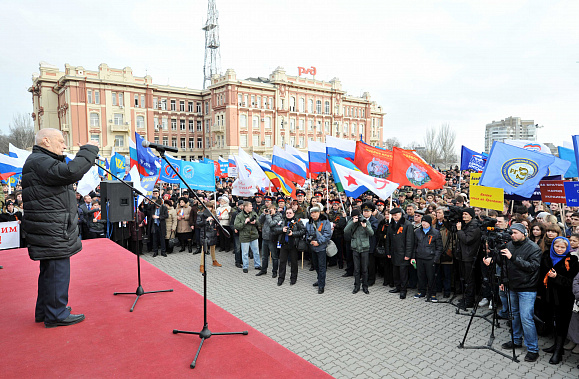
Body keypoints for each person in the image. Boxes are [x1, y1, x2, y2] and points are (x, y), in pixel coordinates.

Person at [23, 128, 99, 328]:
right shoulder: (40, 161)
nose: (65, 146)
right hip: (53, 228)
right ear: (46, 141)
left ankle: (45, 311)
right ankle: (56, 314)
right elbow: (70, 172)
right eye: (61, 141)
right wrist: (89, 151)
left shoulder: (40, 160)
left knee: (50, 271)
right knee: (58, 270)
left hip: (50, 226)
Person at [487, 223, 542, 362]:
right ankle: (516, 340)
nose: (513, 235)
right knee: (514, 316)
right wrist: (492, 259)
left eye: (516, 233)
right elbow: (503, 263)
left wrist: (512, 257)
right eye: (511, 233)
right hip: (511, 286)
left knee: (526, 318)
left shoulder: (534, 248)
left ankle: (533, 349)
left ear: (524, 233)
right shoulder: (510, 244)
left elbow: (533, 267)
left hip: (527, 288)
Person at [539, 236, 579, 364]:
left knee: (562, 324)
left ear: (567, 248)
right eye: (557, 246)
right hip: (548, 296)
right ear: (552, 246)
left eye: (563, 247)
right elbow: (540, 276)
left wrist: (557, 277)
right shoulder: (546, 257)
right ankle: (556, 346)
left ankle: (558, 352)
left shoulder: (572, 260)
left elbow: (571, 282)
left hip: (564, 298)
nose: (560, 249)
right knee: (552, 322)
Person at [412, 214, 443, 302]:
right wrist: (413, 257)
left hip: (430, 258)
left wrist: (435, 259)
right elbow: (414, 245)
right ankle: (421, 291)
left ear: (430, 223)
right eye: (423, 222)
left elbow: (439, 247)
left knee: (431, 277)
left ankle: (432, 293)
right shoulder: (417, 231)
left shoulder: (436, 232)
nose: (424, 223)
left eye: (426, 222)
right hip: (419, 257)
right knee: (420, 276)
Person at [455, 207, 481, 309]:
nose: (463, 216)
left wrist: (459, 231)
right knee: (465, 279)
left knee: (469, 280)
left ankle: (469, 301)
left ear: (471, 215)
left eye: (466, 214)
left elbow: (467, 240)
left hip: (469, 257)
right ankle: (466, 298)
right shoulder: (467, 225)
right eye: (463, 214)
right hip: (464, 255)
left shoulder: (474, 226)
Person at [386, 207, 415, 299]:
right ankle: (397, 287)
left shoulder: (407, 225)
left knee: (403, 274)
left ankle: (403, 290)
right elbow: (388, 240)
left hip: (403, 253)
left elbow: (410, 241)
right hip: (394, 253)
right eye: (393, 215)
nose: (394, 217)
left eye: (396, 215)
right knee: (396, 272)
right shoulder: (391, 224)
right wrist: (388, 251)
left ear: (400, 214)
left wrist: (408, 255)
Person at [272, 207, 305, 286]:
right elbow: (275, 229)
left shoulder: (298, 221)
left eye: (290, 213)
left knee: (294, 263)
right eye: (287, 213)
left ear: (293, 214)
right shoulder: (282, 221)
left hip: (293, 245)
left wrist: (293, 234)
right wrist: (282, 230)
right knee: (282, 262)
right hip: (284, 244)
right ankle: (281, 278)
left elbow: (303, 231)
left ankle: (293, 279)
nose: (288, 214)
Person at [344, 208, 374, 294]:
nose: (356, 218)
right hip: (355, 248)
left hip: (364, 248)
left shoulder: (365, 221)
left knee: (364, 269)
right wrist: (353, 222)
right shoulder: (351, 221)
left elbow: (371, 233)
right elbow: (346, 231)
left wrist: (365, 226)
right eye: (354, 216)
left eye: (357, 216)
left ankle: (365, 286)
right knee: (356, 269)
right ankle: (356, 286)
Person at [305, 206, 332, 294]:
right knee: (316, 265)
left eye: (315, 212)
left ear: (319, 213)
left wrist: (318, 242)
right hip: (313, 247)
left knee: (322, 267)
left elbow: (327, 234)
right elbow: (306, 233)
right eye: (312, 213)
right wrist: (308, 240)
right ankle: (319, 279)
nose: (313, 214)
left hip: (321, 247)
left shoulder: (325, 221)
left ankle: (321, 285)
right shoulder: (309, 222)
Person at [233, 201, 261, 273]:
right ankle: (245, 266)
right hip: (244, 236)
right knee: (245, 253)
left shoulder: (254, 213)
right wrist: (245, 222)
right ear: (245, 207)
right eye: (250, 206)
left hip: (253, 235)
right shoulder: (239, 215)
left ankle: (257, 265)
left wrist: (255, 222)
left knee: (256, 252)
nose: (251, 207)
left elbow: (259, 222)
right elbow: (236, 226)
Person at [257, 204, 282, 278]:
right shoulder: (266, 215)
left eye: (271, 210)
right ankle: (263, 270)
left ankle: (274, 272)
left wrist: (268, 215)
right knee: (264, 256)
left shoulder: (278, 217)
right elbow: (259, 221)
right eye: (269, 209)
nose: (270, 211)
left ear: (275, 209)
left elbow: (271, 224)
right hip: (265, 238)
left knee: (274, 257)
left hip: (272, 239)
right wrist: (263, 214)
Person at [198, 201, 221, 273]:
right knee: (203, 249)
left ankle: (214, 261)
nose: (209, 209)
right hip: (204, 232)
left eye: (210, 207)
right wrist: (205, 220)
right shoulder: (201, 214)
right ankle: (202, 265)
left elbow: (218, 222)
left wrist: (215, 219)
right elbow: (198, 223)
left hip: (212, 232)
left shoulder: (213, 214)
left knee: (213, 248)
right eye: (208, 207)